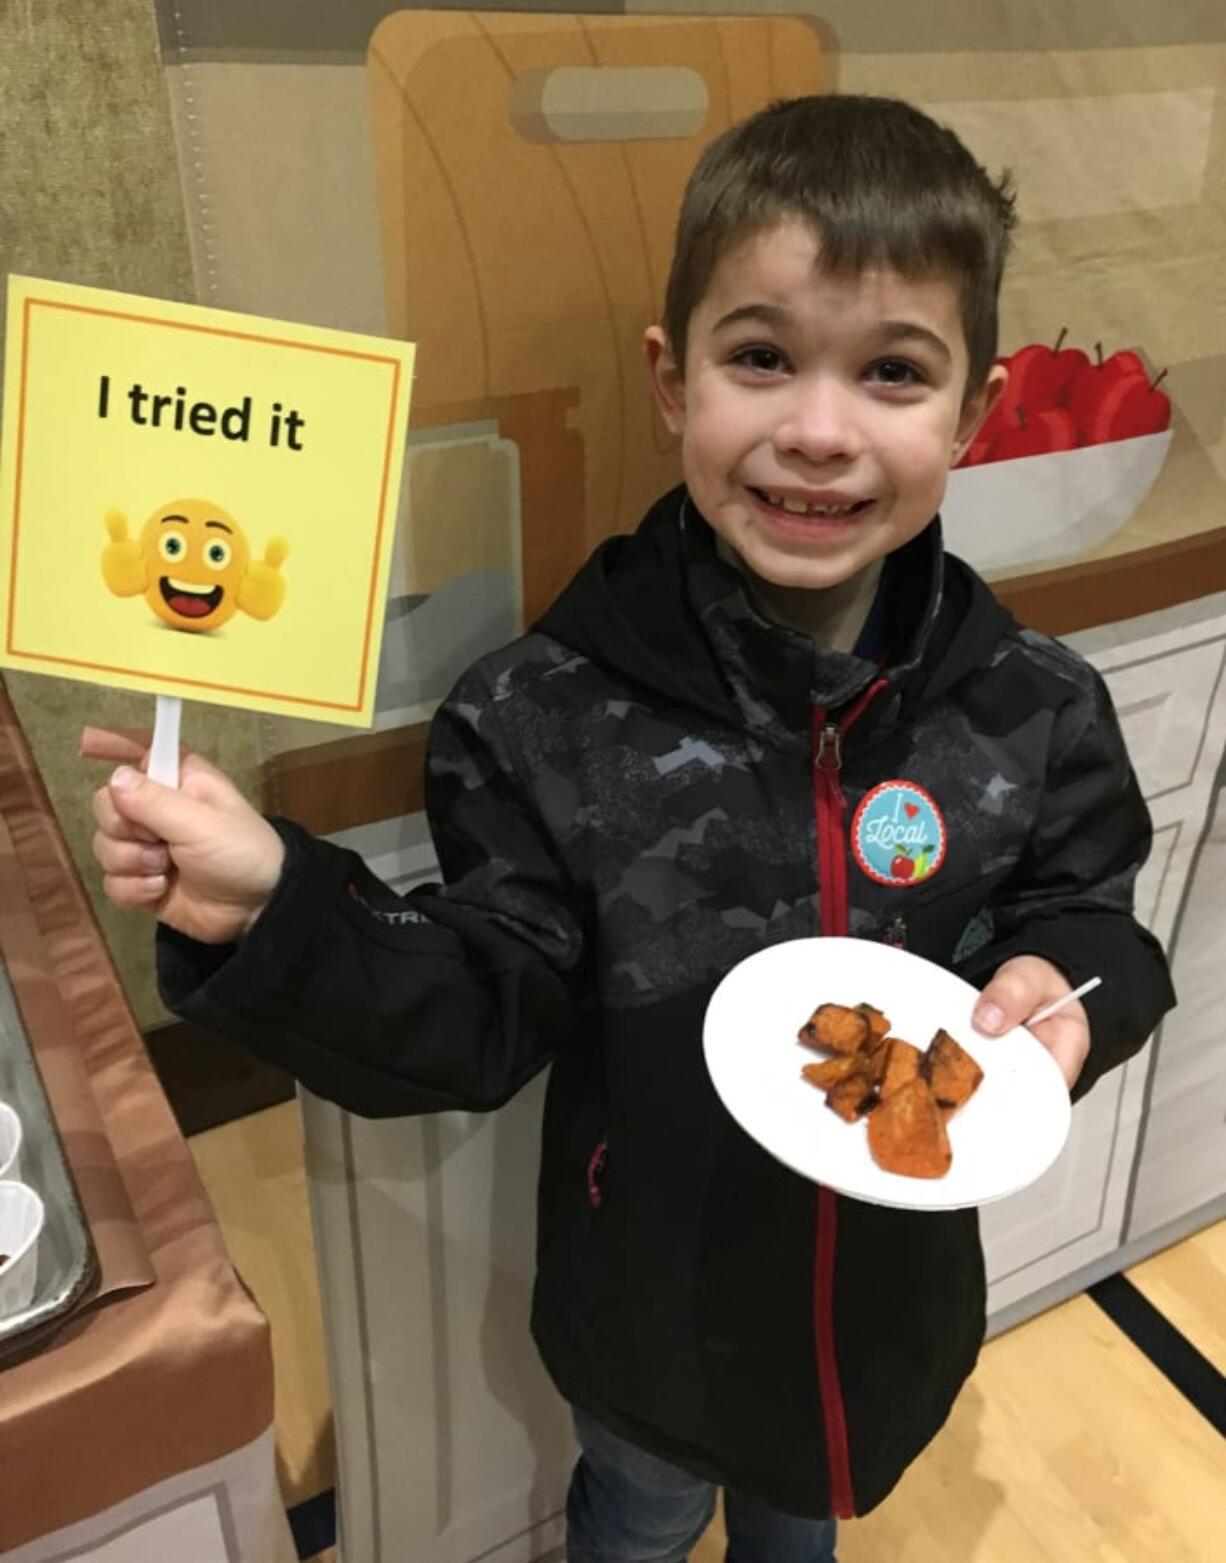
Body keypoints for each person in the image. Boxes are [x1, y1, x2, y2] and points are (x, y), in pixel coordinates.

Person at [86, 95, 1175, 1562]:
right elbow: (483, 1001)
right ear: (672, 380)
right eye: (761, 357)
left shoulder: (1028, 705)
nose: (815, 430)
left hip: (886, 1303)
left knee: (804, 1522)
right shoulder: (544, 713)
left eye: (892, 373)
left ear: (971, 412)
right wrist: (279, 902)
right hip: (651, 1313)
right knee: (640, 1518)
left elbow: (1089, 915)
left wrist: (1072, 992)